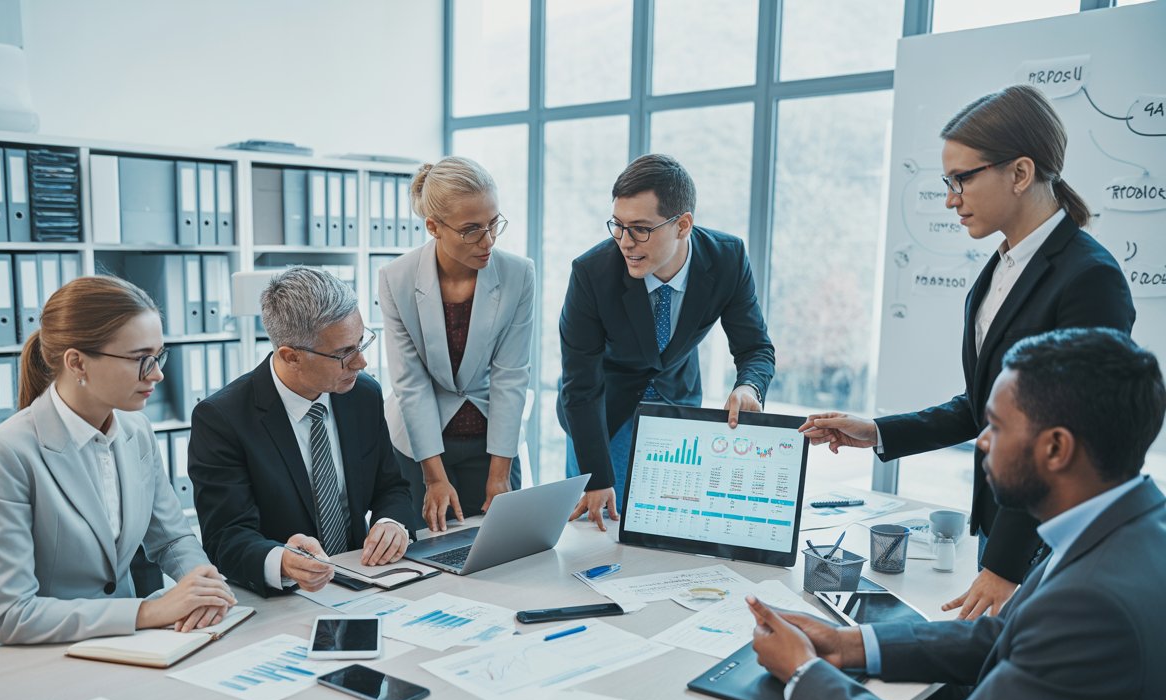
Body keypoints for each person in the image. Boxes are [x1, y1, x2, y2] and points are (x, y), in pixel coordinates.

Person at [752, 327, 1166, 700]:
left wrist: (804, 675)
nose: (982, 443)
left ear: (1057, 448)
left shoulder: (1097, 601)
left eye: (994, 426)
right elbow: (1004, 634)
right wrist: (849, 643)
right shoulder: (1127, 524)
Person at [799, 85, 1134, 619]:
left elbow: (1067, 435)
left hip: (1045, 541)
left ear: (1020, 174)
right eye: (946, 181)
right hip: (1002, 523)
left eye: (962, 179)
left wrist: (1005, 564)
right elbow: (985, 407)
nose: (951, 197)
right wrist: (879, 431)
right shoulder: (1000, 267)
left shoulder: (1089, 278)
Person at [0, 276, 235, 645]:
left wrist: (205, 587)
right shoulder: (4, 453)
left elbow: (171, 539)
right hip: (48, 661)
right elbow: (11, 615)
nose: (157, 374)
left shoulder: (137, 430)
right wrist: (149, 611)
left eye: (158, 356)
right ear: (77, 362)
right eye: (141, 359)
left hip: (129, 647)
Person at [559, 153, 776, 529]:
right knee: (595, 533)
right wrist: (597, 477)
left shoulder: (727, 258)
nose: (625, 242)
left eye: (640, 228)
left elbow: (755, 346)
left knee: (672, 528)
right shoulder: (591, 273)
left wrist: (749, 386)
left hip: (678, 404)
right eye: (618, 226)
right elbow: (580, 383)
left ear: (682, 225)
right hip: (603, 412)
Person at [188, 267, 413, 597]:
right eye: (343, 354)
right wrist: (281, 561)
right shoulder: (222, 419)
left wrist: (391, 524)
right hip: (282, 596)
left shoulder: (362, 394)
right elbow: (226, 536)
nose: (361, 362)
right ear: (290, 356)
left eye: (361, 343)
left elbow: (391, 486)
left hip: (364, 580)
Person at [379, 157, 533, 532]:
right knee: (426, 558)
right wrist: (434, 477)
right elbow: (410, 384)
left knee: (504, 553)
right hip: (420, 446)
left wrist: (500, 476)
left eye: (493, 223)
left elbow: (511, 378)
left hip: (493, 441)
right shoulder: (396, 278)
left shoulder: (518, 273)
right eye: (471, 230)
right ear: (433, 226)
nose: (489, 241)